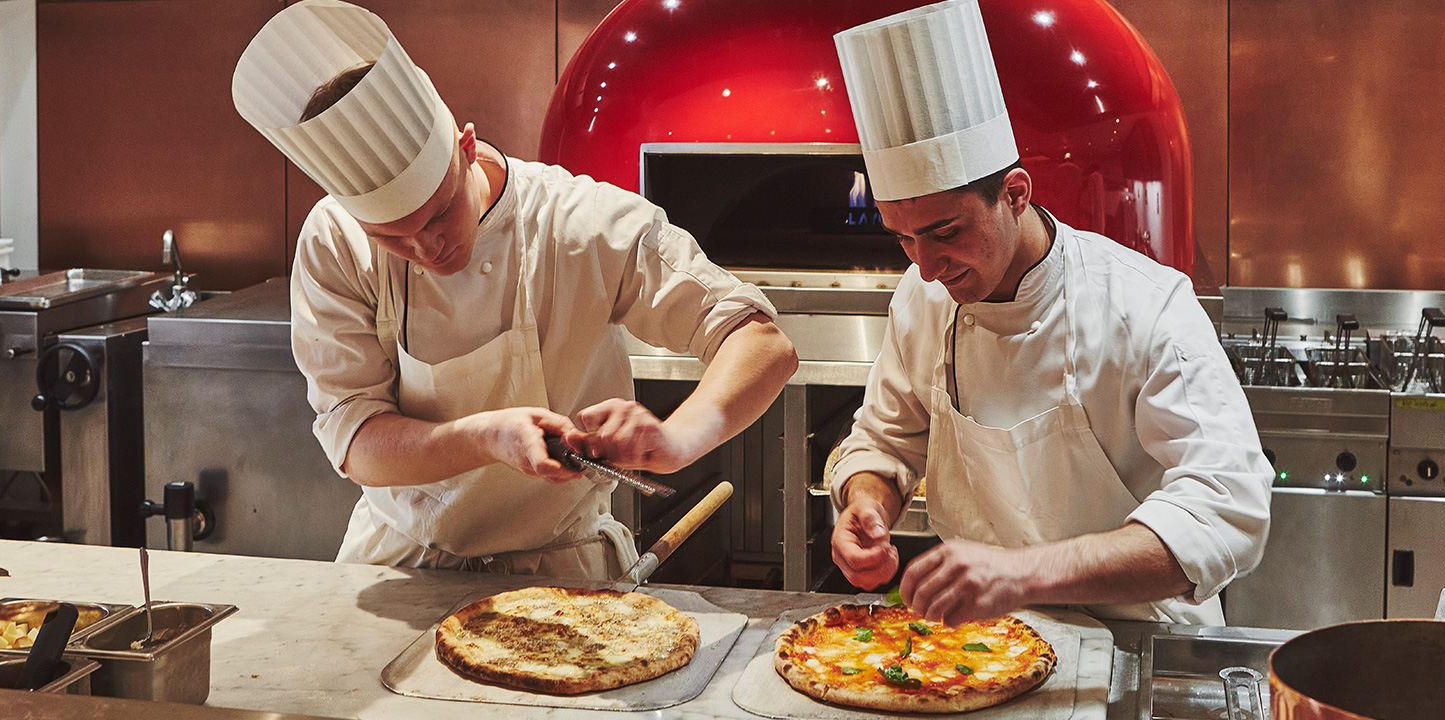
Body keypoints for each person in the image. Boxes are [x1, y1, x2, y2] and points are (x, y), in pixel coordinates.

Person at [231, 0, 797, 578]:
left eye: (438, 216)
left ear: (467, 147)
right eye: (393, 239)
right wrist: (486, 437)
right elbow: (355, 440)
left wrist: (678, 437)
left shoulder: (581, 224)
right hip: (399, 564)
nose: (427, 249)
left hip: (561, 570)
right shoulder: (336, 240)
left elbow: (760, 343)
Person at [825, 0, 1271, 626]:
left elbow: (1229, 506)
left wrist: (1024, 572)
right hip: (980, 647)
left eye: (945, 232)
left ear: (1014, 194)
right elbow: (886, 437)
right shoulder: (923, 297)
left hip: (1138, 638)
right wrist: (865, 504)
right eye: (904, 239)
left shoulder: (1144, 305)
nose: (926, 266)